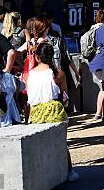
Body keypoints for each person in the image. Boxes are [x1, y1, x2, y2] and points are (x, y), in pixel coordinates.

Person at [26, 42, 78, 181]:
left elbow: (29, 98)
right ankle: (69, 171)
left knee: (39, 145)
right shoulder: (58, 74)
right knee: (62, 143)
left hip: (36, 111)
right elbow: (65, 96)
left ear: (37, 57)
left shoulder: (29, 75)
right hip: (55, 110)